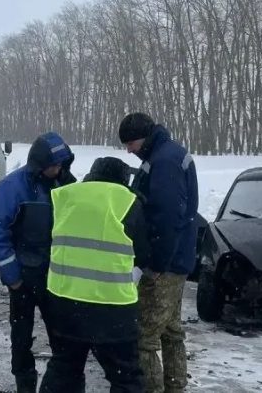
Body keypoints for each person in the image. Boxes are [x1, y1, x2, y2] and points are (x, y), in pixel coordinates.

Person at [40, 157, 150, 393]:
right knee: (125, 376)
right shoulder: (127, 201)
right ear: (123, 178)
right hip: (112, 307)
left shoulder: (64, 196)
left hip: (64, 301)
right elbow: (144, 253)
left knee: (64, 366)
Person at [0, 132, 76, 393]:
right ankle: (25, 385)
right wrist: (12, 277)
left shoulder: (65, 185)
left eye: (61, 165)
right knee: (21, 340)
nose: (57, 170)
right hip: (23, 279)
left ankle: (58, 385)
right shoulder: (12, 187)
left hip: (56, 279)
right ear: (39, 164)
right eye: (53, 166)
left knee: (62, 337)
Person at [119, 113, 198, 393]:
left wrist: (157, 264)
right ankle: (175, 388)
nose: (129, 149)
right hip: (178, 259)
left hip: (166, 263)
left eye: (131, 143)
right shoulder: (169, 154)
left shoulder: (164, 162)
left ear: (145, 137)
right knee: (171, 331)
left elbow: (166, 219)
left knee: (145, 337)